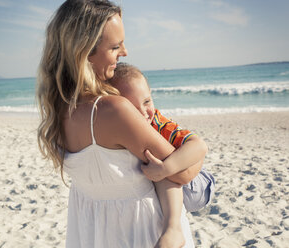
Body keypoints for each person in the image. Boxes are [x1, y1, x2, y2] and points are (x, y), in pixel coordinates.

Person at [36, 0, 207, 247]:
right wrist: (196, 146)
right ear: (83, 52)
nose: (125, 52)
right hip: (142, 233)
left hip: (94, 232)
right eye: (115, 46)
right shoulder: (112, 110)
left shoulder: (57, 109)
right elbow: (186, 173)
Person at [108, 62, 215, 244]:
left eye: (147, 101)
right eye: (132, 108)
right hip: (176, 185)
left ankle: (173, 230)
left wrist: (167, 168)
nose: (144, 112)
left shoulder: (159, 123)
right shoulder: (118, 130)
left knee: (160, 165)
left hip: (198, 186)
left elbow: (199, 146)